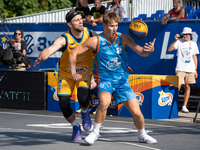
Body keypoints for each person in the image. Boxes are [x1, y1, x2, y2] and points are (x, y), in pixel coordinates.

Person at [69, 11, 157, 144]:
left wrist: (149, 51)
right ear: (103, 25)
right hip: (105, 80)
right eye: (111, 26)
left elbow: (141, 52)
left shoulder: (124, 38)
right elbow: (73, 53)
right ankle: (95, 133)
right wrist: (73, 72)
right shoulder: (95, 40)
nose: (114, 29)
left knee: (137, 112)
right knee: (104, 102)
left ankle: (142, 135)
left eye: (116, 25)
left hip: (122, 82)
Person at [34, 10, 97, 141]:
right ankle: (75, 126)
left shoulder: (90, 34)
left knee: (82, 96)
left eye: (81, 19)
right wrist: (43, 55)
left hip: (84, 72)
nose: (80, 22)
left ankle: (85, 112)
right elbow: (51, 48)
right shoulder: (64, 39)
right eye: (76, 20)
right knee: (63, 104)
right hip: (66, 74)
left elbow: (103, 48)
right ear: (69, 24)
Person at [168, 27, 199, 113]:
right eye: (184, 34)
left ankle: (184, 106)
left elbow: (195, 57)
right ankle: (172, 105)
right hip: (180, 68)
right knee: (177, 86)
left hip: (190, 68)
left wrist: (195, 70)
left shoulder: (193, 44)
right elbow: (169, 49)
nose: (185, 36)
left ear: (190, 35)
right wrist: (175, 40)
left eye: (186, 34)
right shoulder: (179, 42)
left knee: (188, 86)